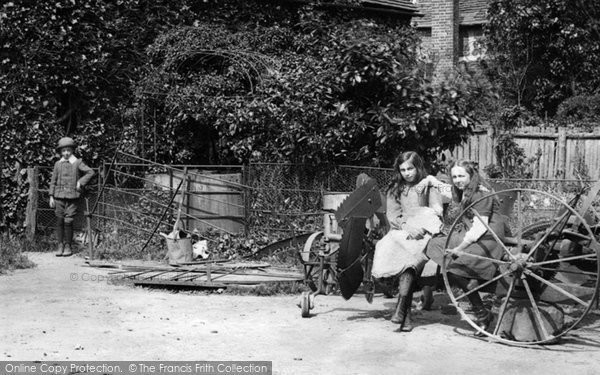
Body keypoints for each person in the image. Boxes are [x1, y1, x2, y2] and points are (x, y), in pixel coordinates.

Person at [423, 160, 506, 335]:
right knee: (436, 245)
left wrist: (460, 247)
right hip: (474, 235)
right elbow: (446, 187)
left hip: (487, 239)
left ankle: (480, 310)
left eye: (461, 176)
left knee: (452, 261)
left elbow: (480, 227)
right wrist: (431, 180)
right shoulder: (468, 189)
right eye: (454, 177)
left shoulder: (480, 194)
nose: (457, 180)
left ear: (471, 175)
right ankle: (472, 288)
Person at [371, 151, 443, 331]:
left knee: (411, 257)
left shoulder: (428, 185)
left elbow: (437, 212)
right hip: (402, 231)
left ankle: (402, 309)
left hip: (424, 230)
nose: (407, 173)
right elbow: (393, 215)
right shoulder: (396, 188)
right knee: (384, 245)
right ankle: (405, 313)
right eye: (403, 170)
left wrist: (423, 226)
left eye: (410, 168)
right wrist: (407, 226)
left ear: (418, 167)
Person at [49, 137, 95, 257]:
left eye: (68, 150)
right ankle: (60, 245)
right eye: (63, 151)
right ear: (60, 152)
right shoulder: (57, 164)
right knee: (59, 221)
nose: (66, 153)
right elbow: (53, 181)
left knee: (68, 221)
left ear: (72, 151)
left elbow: (90, 172)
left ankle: (68, 245)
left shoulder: (77, 162)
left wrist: (80, 182)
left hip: (72, 197)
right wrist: (51, 196)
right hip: (58, 197)